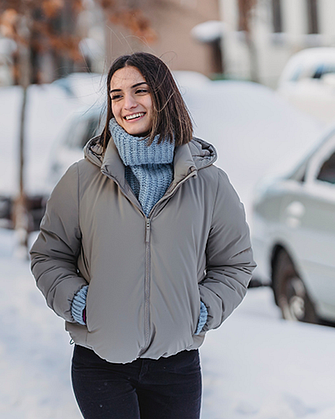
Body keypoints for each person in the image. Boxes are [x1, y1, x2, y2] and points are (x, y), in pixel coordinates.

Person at [30, 52, 255, 419]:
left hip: (177, 369)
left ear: (164, 96)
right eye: (116, 95)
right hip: (101, 365)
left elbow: (235, 263)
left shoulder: (209, 183)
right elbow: (48, 256)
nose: (127, 104)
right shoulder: (81, 180)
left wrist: (201, 310)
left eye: (140, 91)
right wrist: (81, 305)